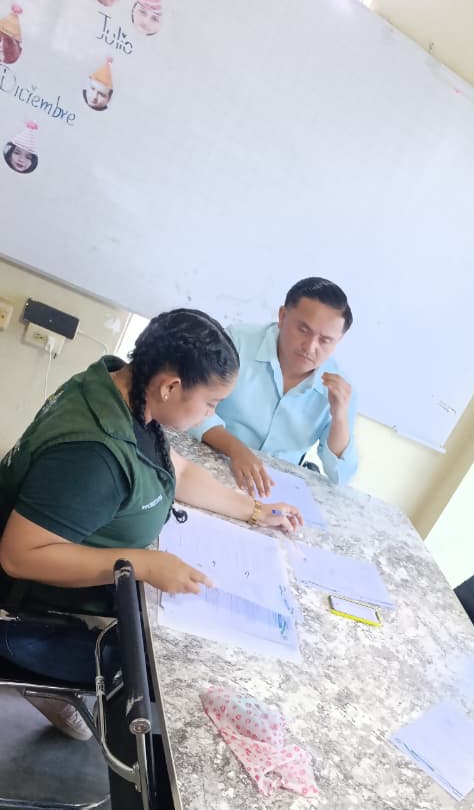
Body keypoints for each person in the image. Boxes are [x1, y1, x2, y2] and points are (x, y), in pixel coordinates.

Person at [0, 308, 302, 738]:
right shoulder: (94, 456)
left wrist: (252, 509)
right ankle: (48, 682)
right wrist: (140, 564)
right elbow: (18, 556)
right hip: (32, 616)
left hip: (61, 579)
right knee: (174, 672)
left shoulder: (123, 389)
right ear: (171, 386)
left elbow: (177, 471)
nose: (210, 415)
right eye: (211, 404)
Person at [190, 277, 358, 494]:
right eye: (303, 330)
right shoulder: (236, 342)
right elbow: (192, 403)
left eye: (325, 340)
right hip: (208, 460)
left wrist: (340, 417)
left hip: (272, 489)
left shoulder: (340, 389)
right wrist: (235, 449)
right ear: (282, 316)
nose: (310, 347)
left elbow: (340, 475)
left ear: (338, 341)